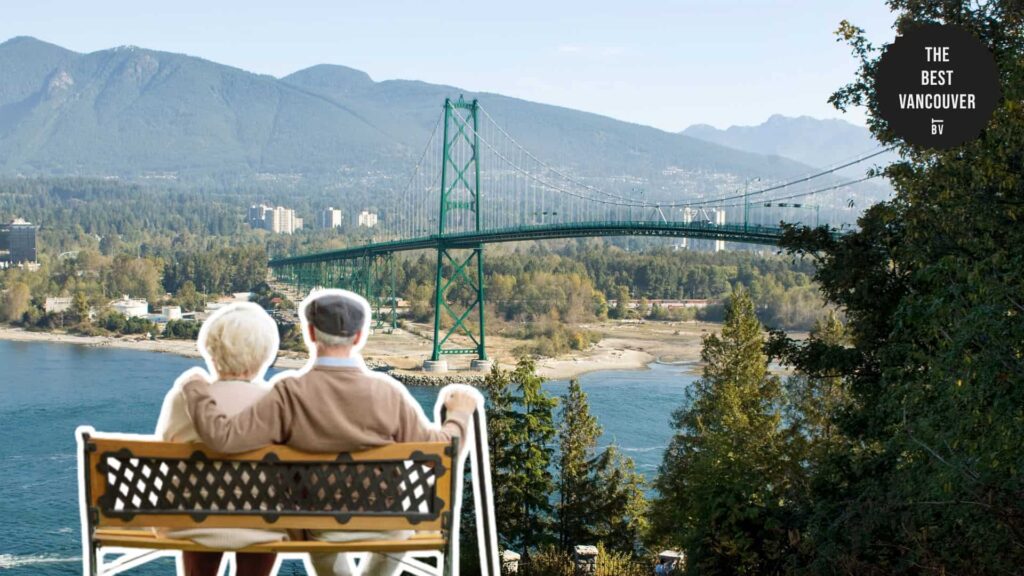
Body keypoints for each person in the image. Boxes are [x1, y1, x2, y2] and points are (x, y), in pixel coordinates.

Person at [180, 289, 478, 576]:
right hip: (387, 523)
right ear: (359, 337)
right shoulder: (386, 393)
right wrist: (459, 412)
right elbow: (442, 451)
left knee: (314, 522)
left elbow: (224, 438)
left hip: (320, 526)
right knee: (398, 527)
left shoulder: (289, 393)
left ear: (310, 334)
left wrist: (195, 387)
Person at [154, 302, 285, 576]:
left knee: (196, 500)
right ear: (264, 354)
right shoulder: (277, 403)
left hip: (190, 521)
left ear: (211, 351)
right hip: (262, 523)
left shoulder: (183, 399)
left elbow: (166, 447)